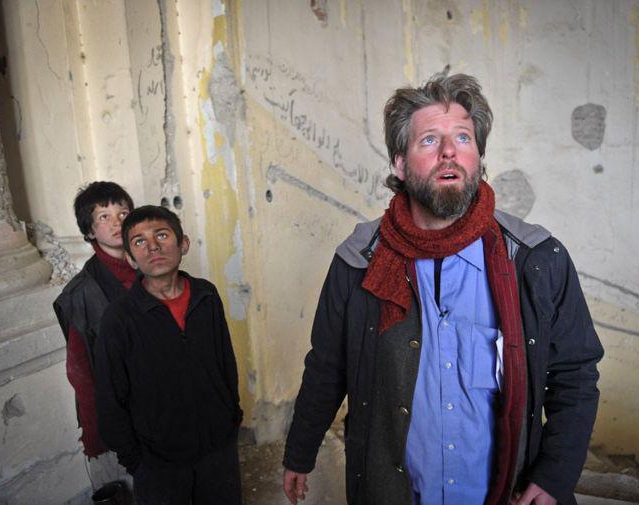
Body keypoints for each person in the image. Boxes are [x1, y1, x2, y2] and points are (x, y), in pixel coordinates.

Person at [282, 74, 603, 505]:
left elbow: (575, 375)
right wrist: (299, 454)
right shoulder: (358, 262)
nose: (449, 151)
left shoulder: (535, 259)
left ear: (479, 157)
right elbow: (327, 366)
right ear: (399, 163)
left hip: (501, 493)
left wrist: (554, 475)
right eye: (430, 140)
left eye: (463, 138)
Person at [94, 205, 242, 505]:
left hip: (218, 449)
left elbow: (226, 362)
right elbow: (110, 397)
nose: (153, 247)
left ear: (183, 244)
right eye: (139, 242)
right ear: (131, 259)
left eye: (162, 235)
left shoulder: (206, 295)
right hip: (159, 462)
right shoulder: (119, 317)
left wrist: (231, 418)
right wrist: (136, 462)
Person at [53, 181, 135, 491]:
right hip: (118, 421)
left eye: (124, 212)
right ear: (89, 230)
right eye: (104, 216)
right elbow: (81, 373)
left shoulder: (154, 272)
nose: (117, 222)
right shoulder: (82, 293)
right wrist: (95, 437)